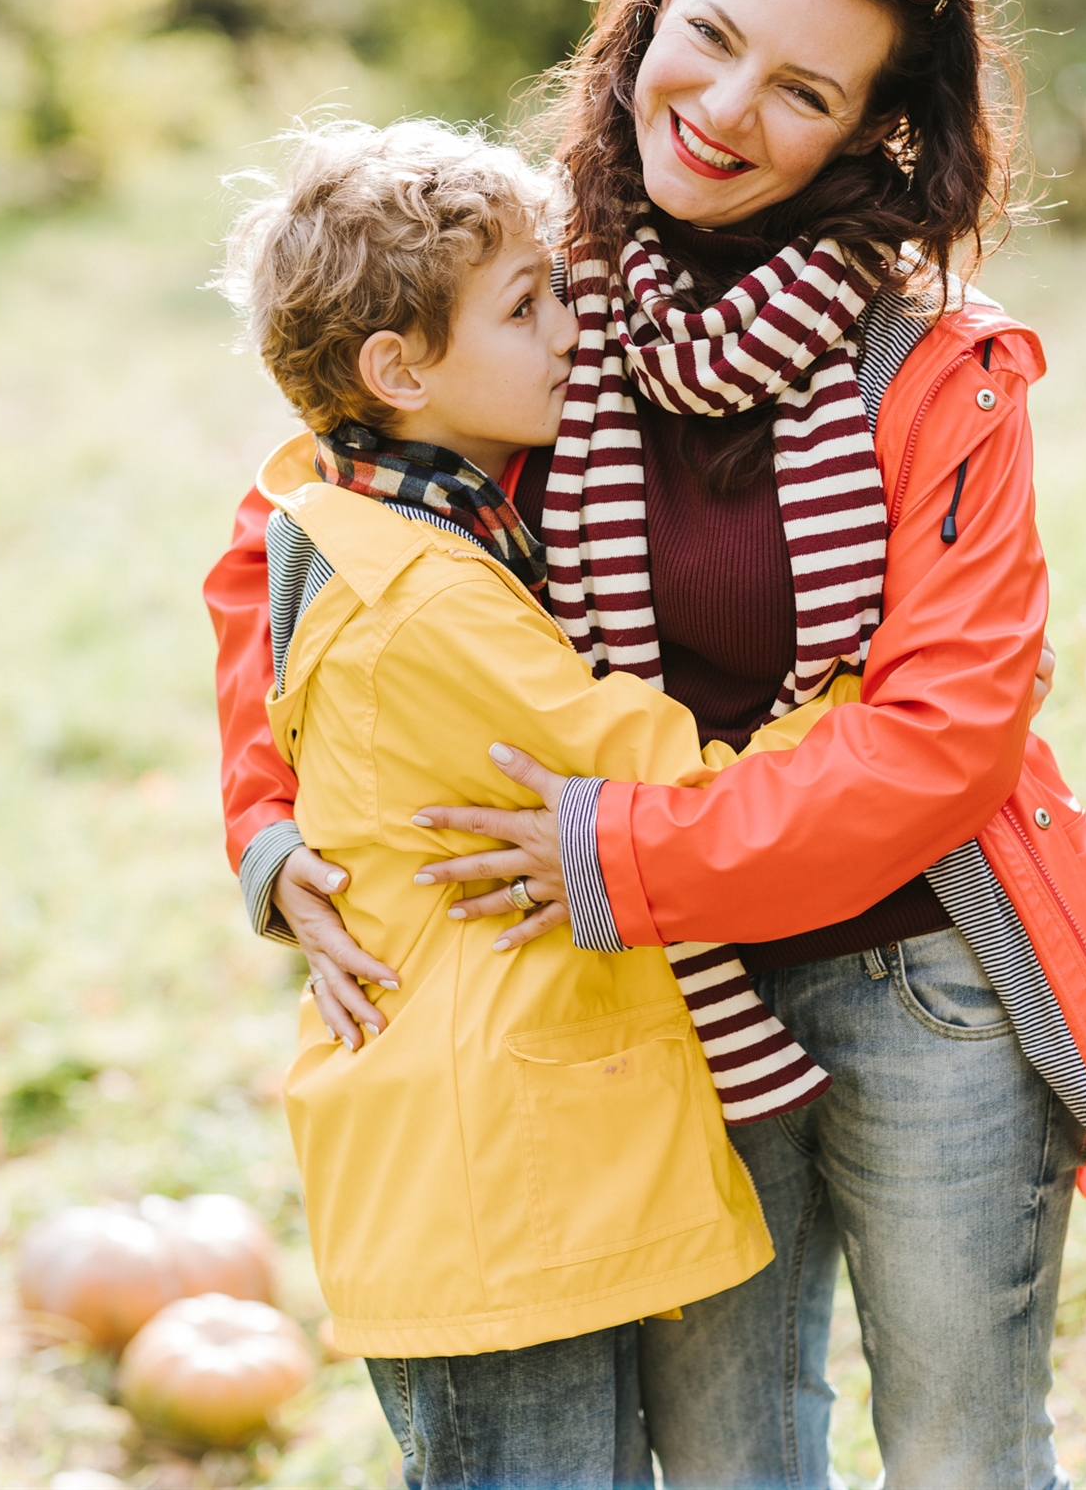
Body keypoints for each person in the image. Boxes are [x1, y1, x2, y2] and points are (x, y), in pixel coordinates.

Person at [207, 0, 1086, 1489]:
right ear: (650, 13)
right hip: (651, 1008)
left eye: (804, 88)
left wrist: (631, 854)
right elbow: (301, 547)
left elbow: (944, 739)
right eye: (716, 35)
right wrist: (266, 830)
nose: (729, 106)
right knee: (724, 1462)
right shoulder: (519, 291)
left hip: (918, 982)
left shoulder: (935, 367)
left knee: (966, 1451)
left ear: (870, 132)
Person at [212, 114, 880, 1487]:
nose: (575, 327)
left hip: (486, 1161)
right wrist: (864, 700)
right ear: (399, 369)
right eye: (529, 305)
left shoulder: (369, 512)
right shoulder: (435, 596)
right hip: (492, 1181)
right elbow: (645, 762)